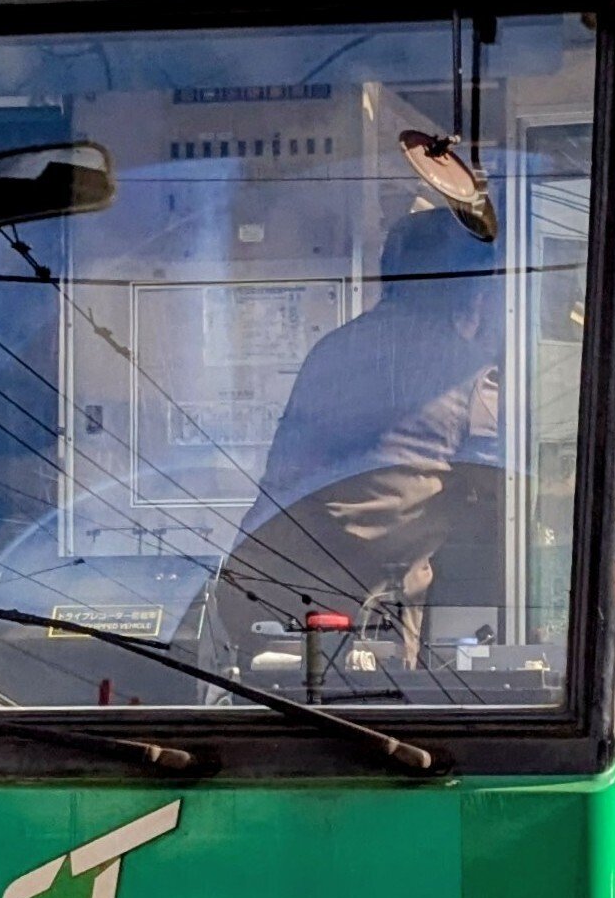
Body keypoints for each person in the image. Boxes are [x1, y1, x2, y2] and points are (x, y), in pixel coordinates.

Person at [192, 203, 501, 674]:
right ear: (473, 296)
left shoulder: (333, 349)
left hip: (256, 586)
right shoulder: (469, 372)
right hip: (359, 621)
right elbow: (511, 495)